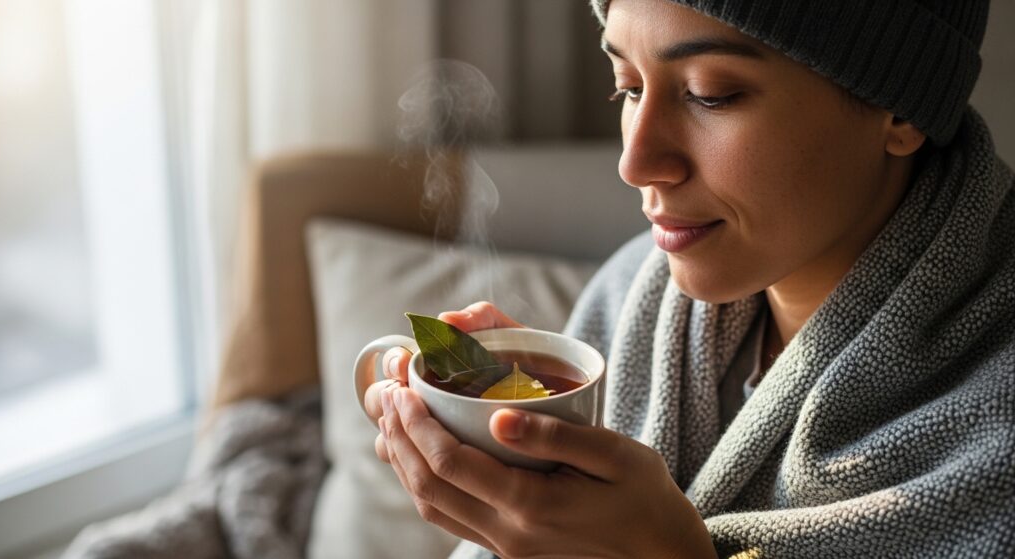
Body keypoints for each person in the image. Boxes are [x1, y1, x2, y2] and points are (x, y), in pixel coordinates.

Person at [365, 0, 1014, 557]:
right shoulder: (627, 301)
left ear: (898, 108)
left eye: (711, 93)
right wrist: (521, 467)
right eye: (628, 86)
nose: (635, 160)